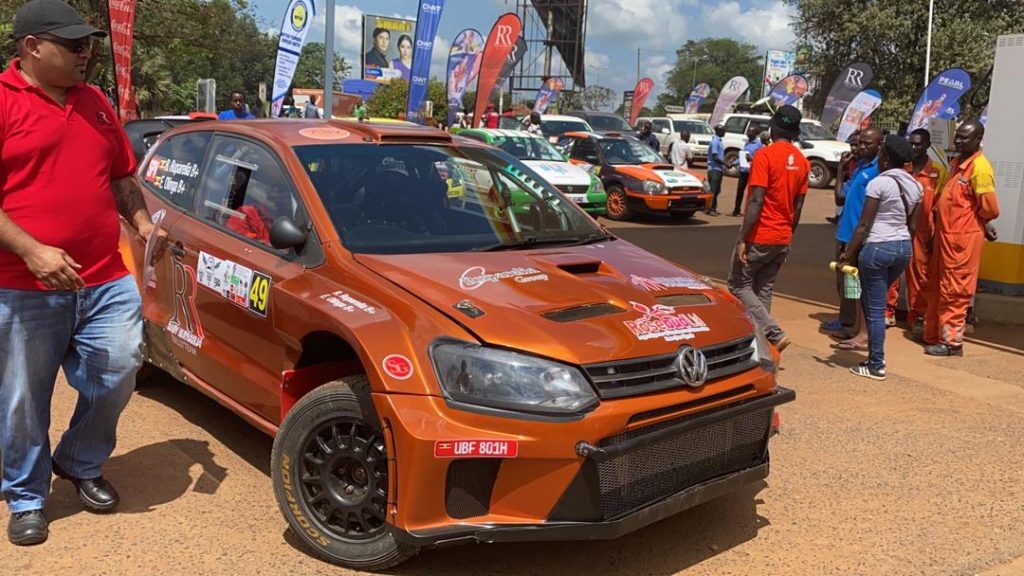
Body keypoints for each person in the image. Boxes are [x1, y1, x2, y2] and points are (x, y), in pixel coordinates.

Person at [1, 0, 162, 545]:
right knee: (24, 397)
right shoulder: (2, 102)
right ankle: (25, 496)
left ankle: (79, 461)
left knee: (119, 367)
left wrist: (141, 223)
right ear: (31, 47)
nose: (85, 52)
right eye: (72, 44)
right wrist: (32, 250)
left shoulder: (96, 102)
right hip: (24, 284)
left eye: (89, 42)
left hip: (103, 276)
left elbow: (120, 176)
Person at [728, 106, 810, 352]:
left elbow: (756, 200)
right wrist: (788, 237)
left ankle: (772, 333)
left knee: (738, 285)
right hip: (782, 236)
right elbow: (798, 207)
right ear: (795, 131)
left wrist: (742, 238)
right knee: (762, 289)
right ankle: (761, 345)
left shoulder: (765, 156)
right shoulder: (804, 162)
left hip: (759, 234)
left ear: (774, 127)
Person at [840, 136, 923, 380]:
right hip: (903, 249)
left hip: (877, 248)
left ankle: (876, 364)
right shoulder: (915, 185)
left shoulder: (879, 183)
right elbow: (913, 227)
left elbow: (864, 225)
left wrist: (848, 255)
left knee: (875, 309)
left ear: (885, 159)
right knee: (872, 301)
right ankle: (873, 356)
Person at [923, 120, 1000, 356]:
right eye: (957, 136)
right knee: (938, 287)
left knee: (955, 291)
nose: (958, 141)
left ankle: (952, 343)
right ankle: (934, 334)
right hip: (946, 239)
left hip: (962, 241)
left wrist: (981, 223)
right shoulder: (957, 164)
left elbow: (990, 208)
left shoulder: (980, 167)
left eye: (964, 137)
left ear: (978, 140)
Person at [829, 127, 882, 348]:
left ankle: (863, 333)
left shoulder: (878, 170)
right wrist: (841, 170)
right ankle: (851, 324)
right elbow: (840, 198)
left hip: (860, 238)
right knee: (848, 285)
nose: (861, 147)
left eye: (866, 144)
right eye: (859, 143)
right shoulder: (859, 167)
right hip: (845, 234)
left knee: (861, 287)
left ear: (879, 146)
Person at [226, 180, 291, 244]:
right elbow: (242, 244)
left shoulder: (288, 218)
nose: (289, 203)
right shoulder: (247, 213)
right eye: (284, 196)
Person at [827, 130, 860, 225]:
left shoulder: (870, 167)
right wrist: (841, 168)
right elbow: (839, 199)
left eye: (856, 145)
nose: (853, 148)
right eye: (851, 145)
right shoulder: (851, 159)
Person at [733, 124, 764, 216]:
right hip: (743, 170)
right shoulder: (747, 143)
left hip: (751, 171)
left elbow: (759, 159)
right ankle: (736, 210)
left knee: (751, 193)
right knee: (739, 191)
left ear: (756, 133)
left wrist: (751, 158)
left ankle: (749, 211)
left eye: (750, 131)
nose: (748, 133)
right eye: (748, 131)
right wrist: (735, 162)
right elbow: (743, 155)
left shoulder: (759, 145)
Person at [706, 123, 727, 216]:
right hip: (714, 169)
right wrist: (725, 163)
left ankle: (713, 207)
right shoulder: (715, 141)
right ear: (719, 131)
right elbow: (715, 157)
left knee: (716, 190)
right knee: (714, 190)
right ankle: (710, 209)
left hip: (718, 169)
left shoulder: (719, 141)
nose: (725, 132)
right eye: (723, 130)